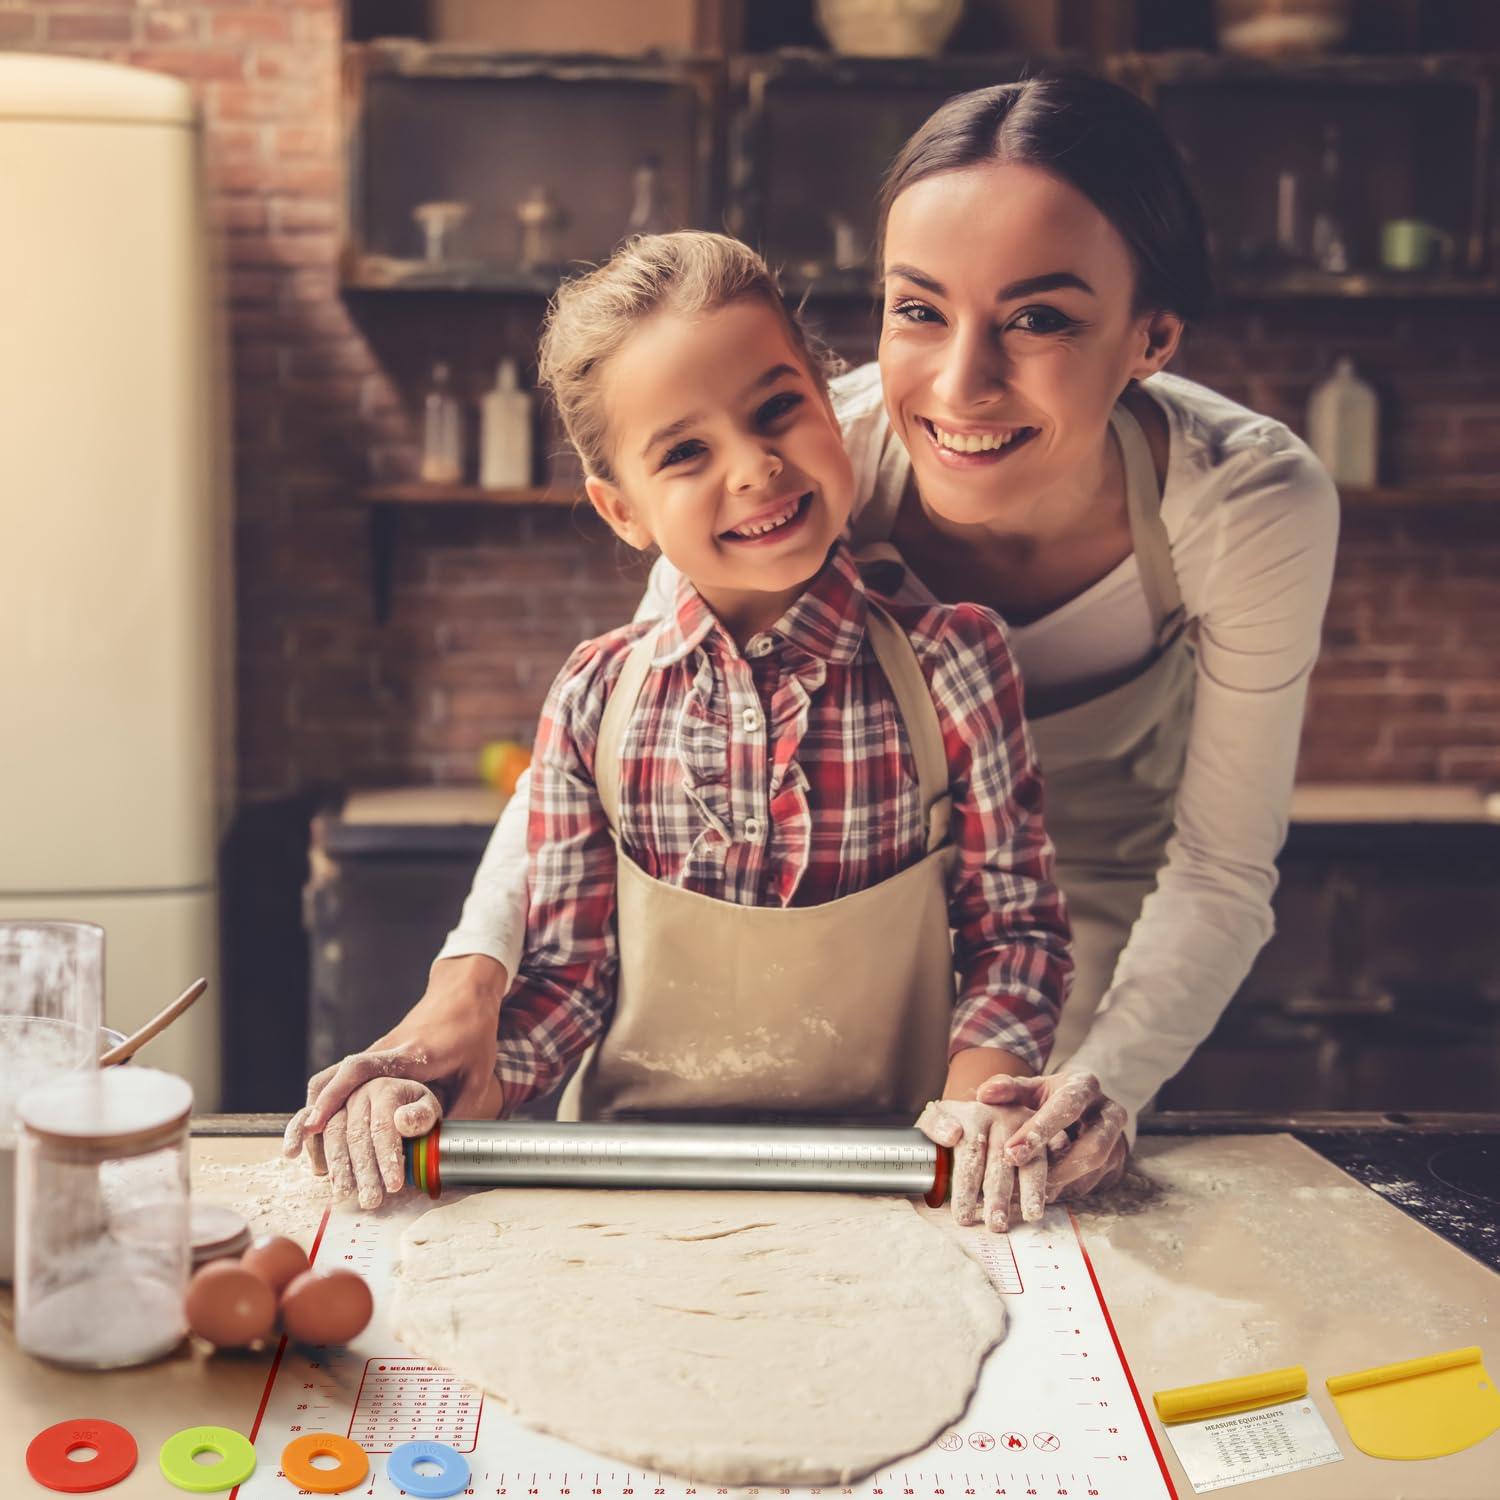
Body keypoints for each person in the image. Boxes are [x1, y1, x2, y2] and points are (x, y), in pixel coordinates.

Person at [287, 74, 1337, 1217]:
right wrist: (467, 987)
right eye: (917, 309)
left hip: (1091, 928)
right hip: (865, 935)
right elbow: (580, 768)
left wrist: (1102, 1083)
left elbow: (1217, 872)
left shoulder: (1248, 505)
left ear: (1153, 335)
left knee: (1022, 1220)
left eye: (1039, 318)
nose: (959, 384)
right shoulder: (807, 454)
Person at [286, 231, 1072, 1227]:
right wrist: (447, 1096)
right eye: (686, 452)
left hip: (898, 1183)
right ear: (624, 512)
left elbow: (1016, 936)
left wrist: (982, 1106)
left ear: (834, 410)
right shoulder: (593, 696)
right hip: (626, 1187)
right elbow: (568, 983)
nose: (755, 468)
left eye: (778, 409)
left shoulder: (955, 661)